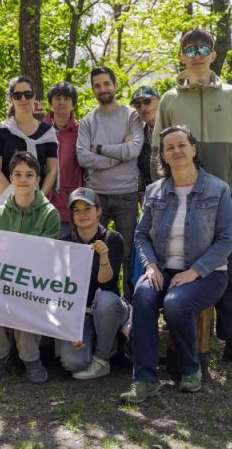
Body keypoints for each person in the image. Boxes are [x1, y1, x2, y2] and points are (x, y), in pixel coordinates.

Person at [151, 28, 232, 368]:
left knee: (227, 261)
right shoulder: (169, 99)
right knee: (177, 259)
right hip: (180, 194)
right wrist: (164, 188)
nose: (197, 54)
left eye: (203, 48)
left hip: (224, 195)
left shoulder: (231, 95)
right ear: (181, 56)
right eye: (190, 48)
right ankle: (180, 338)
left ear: (213, 55)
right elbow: (158, 150)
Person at [121, 125, 232, 403]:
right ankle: (145, 379)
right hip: (161, 269)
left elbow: (226, 239)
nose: (177, 151)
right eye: (169, 148)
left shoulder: (218, 189)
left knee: (175, 303)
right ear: (164, 157)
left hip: (207, 274)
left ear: (193, 149)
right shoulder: (154, 191)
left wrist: (194, 271)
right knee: (143, 297)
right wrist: (149, 266)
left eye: (182, 144)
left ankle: (189, 369)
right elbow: (141, 234)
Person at [0, 151, 60, 384]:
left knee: (29, 294)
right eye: (17, 174)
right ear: (11, 177)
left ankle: (30, 357)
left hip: (32, 280)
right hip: (2, 277)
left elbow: (46, 259)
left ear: (38, 179)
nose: (23, 179)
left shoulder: (50, 215)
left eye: (29, 174)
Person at [77, 67, 143, 300]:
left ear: (115, 85)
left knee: (127, 255)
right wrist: (120, 153)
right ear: (93, 89)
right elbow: (83, 158)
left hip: (126, 194)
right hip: (97, 197)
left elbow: (134, 150)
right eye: (97, 85)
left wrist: (102, 149)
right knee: (94, 253)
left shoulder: (131, 116)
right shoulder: (88, 121)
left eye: (106, 84)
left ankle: (129, 306)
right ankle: (98, 303)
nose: (102, 89)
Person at [55, 187, 128, 380]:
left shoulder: (113, 239)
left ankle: (103, 359)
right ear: (71, 216)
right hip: (80, 314)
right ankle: (107, 343)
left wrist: (103, 256)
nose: (82, 214)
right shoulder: (65, 244)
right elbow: (60, 291)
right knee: (73, 363)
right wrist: (69, 328)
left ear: (98, 211)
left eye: (87, 208)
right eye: (76, 210)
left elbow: (107, 284)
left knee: (105, 299)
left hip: (107, 306)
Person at [0, 76, 58, 209]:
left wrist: (38, 201)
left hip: (38, 205)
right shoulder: (0, 131)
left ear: (34, 96)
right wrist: (14, 199)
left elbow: (52, 170)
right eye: (17, 95)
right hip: (7, 203)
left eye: (28, 94)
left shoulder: (47, 132)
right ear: (11, 98)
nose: (23, 99)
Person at [43, 82, 84, 238]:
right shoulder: (39, 130)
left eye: (66, 98)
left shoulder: (81, 131)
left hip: (71, 205)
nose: (61, 102)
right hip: (43, 204)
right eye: (57, 98)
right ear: (50, 103)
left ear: (73, 103)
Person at [130, 86, 160, 203]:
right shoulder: (138, 137)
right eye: (137, 105)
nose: (142, 108)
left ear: (159, 101)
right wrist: (141, 194)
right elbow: (139, 171)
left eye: (147, 102)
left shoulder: (176, 130)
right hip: (153, 198)